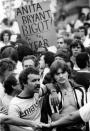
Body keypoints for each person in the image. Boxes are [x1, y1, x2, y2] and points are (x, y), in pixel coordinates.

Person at [41, 60, 87, 131]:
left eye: (63, 72)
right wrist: (78, 116)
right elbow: (55, 119)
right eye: (57, 74)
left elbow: (85, 112)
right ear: (53, 76)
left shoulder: (80, 90)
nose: (61, 76)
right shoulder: (52, 95)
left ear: (68, 73)